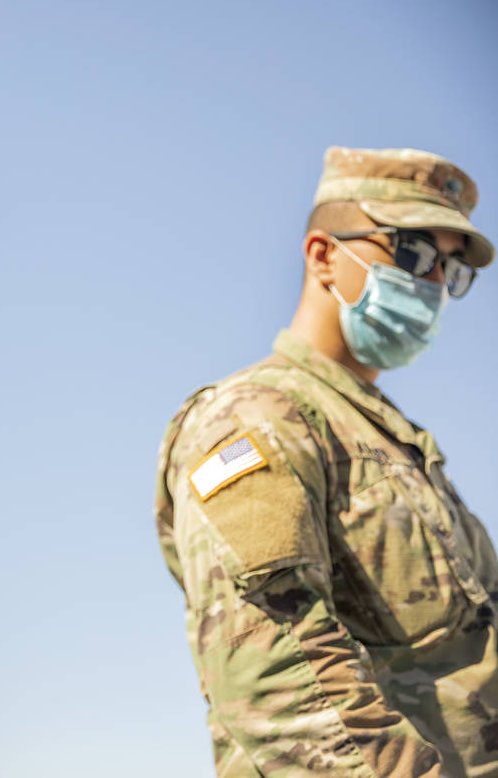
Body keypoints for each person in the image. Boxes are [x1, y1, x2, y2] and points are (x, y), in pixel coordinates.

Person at [155, 147, 498, 776]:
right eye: (416, 253)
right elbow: (279, 679)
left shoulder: (397, 442)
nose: (433, 286)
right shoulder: (253, 417)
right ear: (324, 255)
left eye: (450, 270)